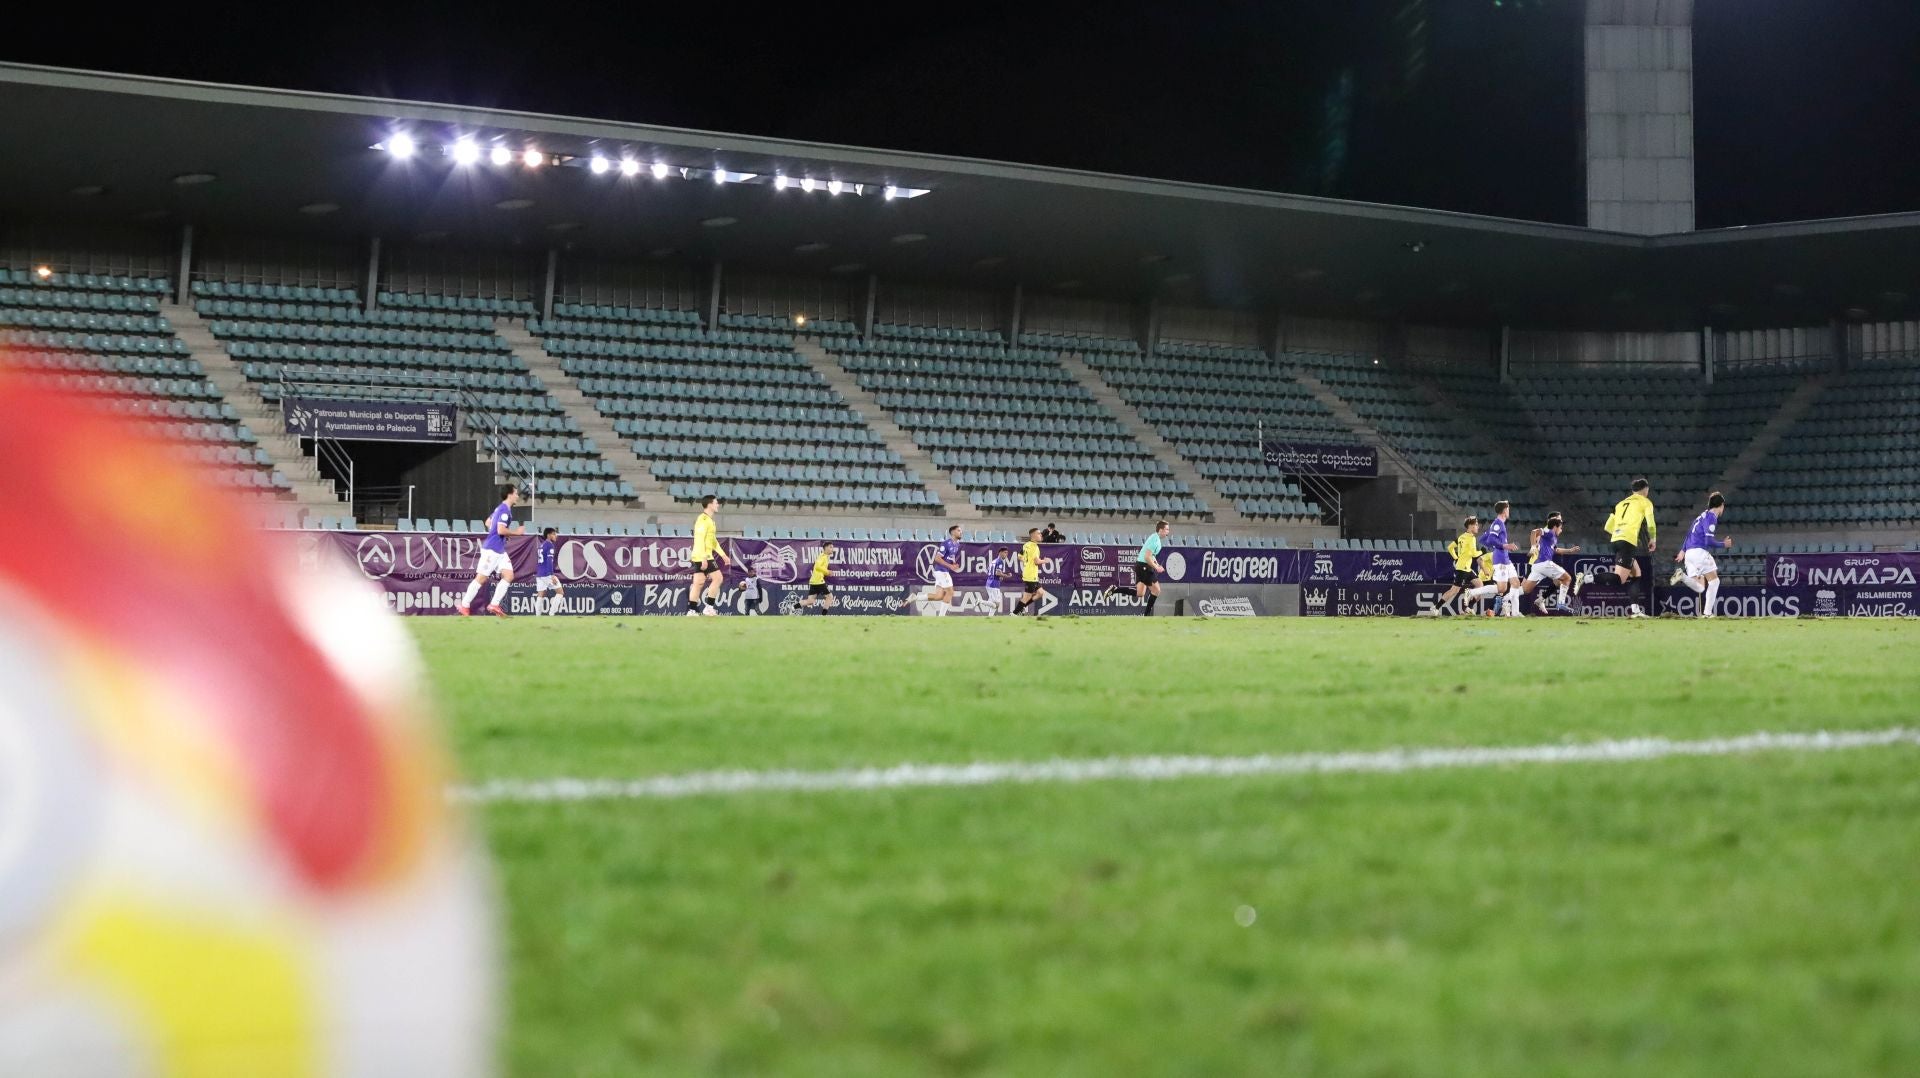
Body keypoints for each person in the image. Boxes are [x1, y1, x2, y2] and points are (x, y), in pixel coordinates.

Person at [1579, 478, 1655, 618]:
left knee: (1636, 574)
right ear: (1645, 489)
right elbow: (1650, 524)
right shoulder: (1646, 502)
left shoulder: (1620, 504)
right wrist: (1653, 539)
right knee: (1619, 579)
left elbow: (1608, 527)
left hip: (1616, 539)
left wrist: (1620, 531)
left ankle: (1636, 610)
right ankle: (1586, 578)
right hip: (1628, 541)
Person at [457, 485, 523, 618]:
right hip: (492, 550)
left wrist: (504, 534)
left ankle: (494, 604)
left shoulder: (500, 508)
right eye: (516, 493)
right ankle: (465, 605)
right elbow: (500, 530)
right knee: (481, 578)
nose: (517, 496)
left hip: (499, 550)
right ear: (509, 494)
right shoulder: (505, 511)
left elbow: (488, 522)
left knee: (509, 575)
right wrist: (515, 532)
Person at [1671, 492, 1733, 618]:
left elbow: (1689, 533)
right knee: (1715, 581)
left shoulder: (1702, 515)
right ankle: (1707, 613)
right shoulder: (1712, 517)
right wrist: (1724, 544)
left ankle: (1682, 576)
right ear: (1721, 505)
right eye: (1723, 506)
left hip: (1689, 554)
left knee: (1700, 588)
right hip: (1699, 553)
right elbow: (1708, 541)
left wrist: (1683, 550)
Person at [1422, 515, 1499, 617]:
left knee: (1480, 585)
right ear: (1470, 526)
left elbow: (1450, 548)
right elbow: (1473, 554)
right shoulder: (1471, 538)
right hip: (1462, 570)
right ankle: (1436, 608)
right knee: (1454, 591)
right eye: (1476, 525)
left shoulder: (1461, 537)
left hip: (1466, 568)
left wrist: (1456, 558)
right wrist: (1482, 551)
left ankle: (1468, 607)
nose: (1477, 527)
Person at [1520, 514, 1581, 614]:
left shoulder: (1553, 536)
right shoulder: (1548, 531)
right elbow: (1534, 532)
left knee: (1526, 589)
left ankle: (1506, 598)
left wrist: (1570, 550)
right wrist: (1533, 547)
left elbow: (1556, 549)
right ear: (1555, 525)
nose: (1561, 530)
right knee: (1567, 578)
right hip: (1541, 562)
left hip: (1538, 564)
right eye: (1560, 527)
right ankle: (1560, 603)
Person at [898, 525, 964, 616]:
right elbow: (937, 558)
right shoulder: (946, 543)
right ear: (952, 532)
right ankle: (941, 617)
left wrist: (954, 564)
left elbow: (950, 556)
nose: (961, 532)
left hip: (943, 571)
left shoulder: (957, 544)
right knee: (950, 592)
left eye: (961, 530)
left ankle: (915, 597)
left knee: (938, 596)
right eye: (958, 530)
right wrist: (950, 566)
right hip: (941, 571)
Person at [1113, 519, 1171, 616]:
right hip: (1144, 567)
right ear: (1160, 530)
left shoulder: (1154, 537)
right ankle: (1147, 616)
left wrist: (1156, 564)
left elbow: (1151, 555)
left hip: (1140, 566)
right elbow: (1147, 557)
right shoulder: (1155, 540)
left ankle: (1115, 590)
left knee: (1140, 593)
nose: (1168, 532)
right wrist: (1156, 568)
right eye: (1167, 529)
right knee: (1156, 590)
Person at [687, 495, 730, 617]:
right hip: (703, 556)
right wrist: (704, 557)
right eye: (716, 503)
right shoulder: (703, 520)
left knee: (698, 583)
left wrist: (723, 555)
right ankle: (709, 607)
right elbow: (700, 539)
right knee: (718, 578)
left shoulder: (710, 521)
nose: (718, 505)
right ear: (710, 504)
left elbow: (712, 541)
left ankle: (692, 611)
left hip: (701, 555)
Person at [1484, 500, 1523, 617]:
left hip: (1505, 558)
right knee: (1502, 588)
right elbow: (1490, 540)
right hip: (1500, 559)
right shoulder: (1497, 523)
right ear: (1504, 510)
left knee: (1515, 583)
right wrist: (1506, 545)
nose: (1509, 510)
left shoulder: (1501, 524)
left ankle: (1514, 612)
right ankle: (1472, 593)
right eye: (1508, 508)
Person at [1013, 528, 1052, 616]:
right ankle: (1014, 613)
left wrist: (1026, 561)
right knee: (1027, 596)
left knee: (1040, 593)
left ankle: (1020, 609)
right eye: (1038, 533)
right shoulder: (1034, 547)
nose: (1041, 535)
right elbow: (1037, 562)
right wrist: (1045, 561)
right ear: (1033, 536)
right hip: (1030, 575)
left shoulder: (1026, 544)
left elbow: (1019, 556)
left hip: (1030, 573)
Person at [533, 526, 564, 616]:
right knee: (560, 592)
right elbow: (549, 561)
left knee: (541, 595)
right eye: (554, 534)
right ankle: (551, 613)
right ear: (548, 535)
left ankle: (537, 616)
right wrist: (552, 575)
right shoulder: (550, 545)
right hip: (547, 574)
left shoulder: (541, 545)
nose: (556, 536)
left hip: (540, 574)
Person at [799, 543, 836, 614]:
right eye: (831, 547)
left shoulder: (825, 557)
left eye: (832, 547)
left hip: (814, 581)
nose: (832, 549)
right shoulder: (823, 556)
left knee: (810, 601)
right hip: (818, 581)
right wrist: (828, 571)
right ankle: (823, 616)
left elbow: (820, 569)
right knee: (830, 597)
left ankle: (793, 607)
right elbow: (817, 566)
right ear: (826, 548)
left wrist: (827, 572)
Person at [984, 546, 1015, 617]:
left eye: (1007, 553)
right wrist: (1007, 576)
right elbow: (997, 573)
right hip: (994, 584)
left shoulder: (994, 561)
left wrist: (1001, 576)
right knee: (996, 604)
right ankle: (980, 601)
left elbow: (988, 571)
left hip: (989, 583)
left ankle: (990, 617)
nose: (1006, 554)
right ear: (1000, 553)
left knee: (993, 603)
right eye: (1005, 552)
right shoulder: (1000, 561)